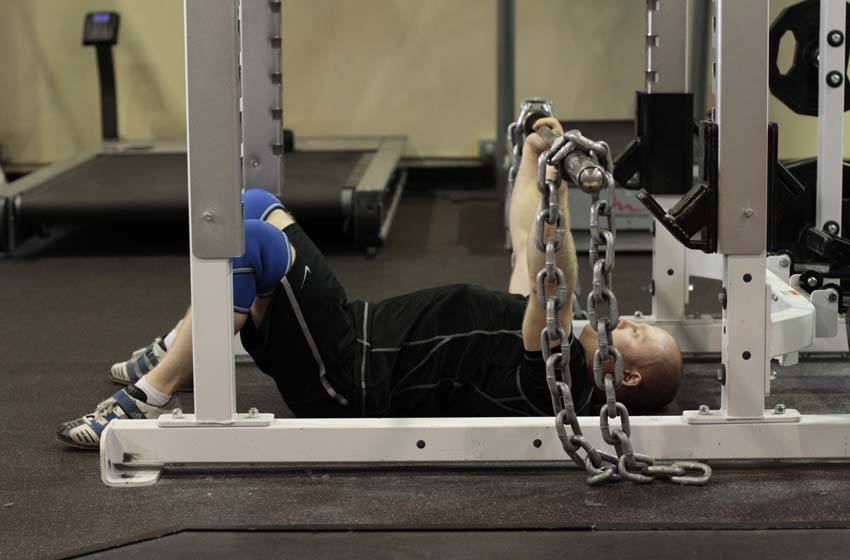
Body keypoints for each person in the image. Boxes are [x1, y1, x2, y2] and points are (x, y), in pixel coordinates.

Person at [56, 118, 682, 449]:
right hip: (353, 330)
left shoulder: (556, 377)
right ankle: (179, 350)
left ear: (625, 377)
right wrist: (534, 162)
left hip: (348, 378)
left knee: (250, 244)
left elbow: (555, 281)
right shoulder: (541, 338)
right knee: (256, 204)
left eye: (638, 333)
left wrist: (559, 201)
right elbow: (527, 241)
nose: (628, 319)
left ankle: (151, 395)